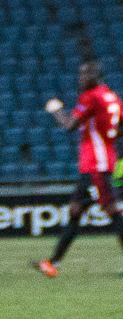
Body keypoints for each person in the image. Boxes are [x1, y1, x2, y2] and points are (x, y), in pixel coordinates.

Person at [33, 60, 122, 277]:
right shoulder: (113, 98)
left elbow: (69, 125)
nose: (80, 78)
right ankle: (53, 263)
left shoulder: (91, 96)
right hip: (97, 164)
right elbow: (120, 128)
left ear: (95, 76)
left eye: (85, 74)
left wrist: (55, 109)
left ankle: (54, 262)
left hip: (96, 167)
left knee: (113, 212)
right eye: (80, 74)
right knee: (75, 211)